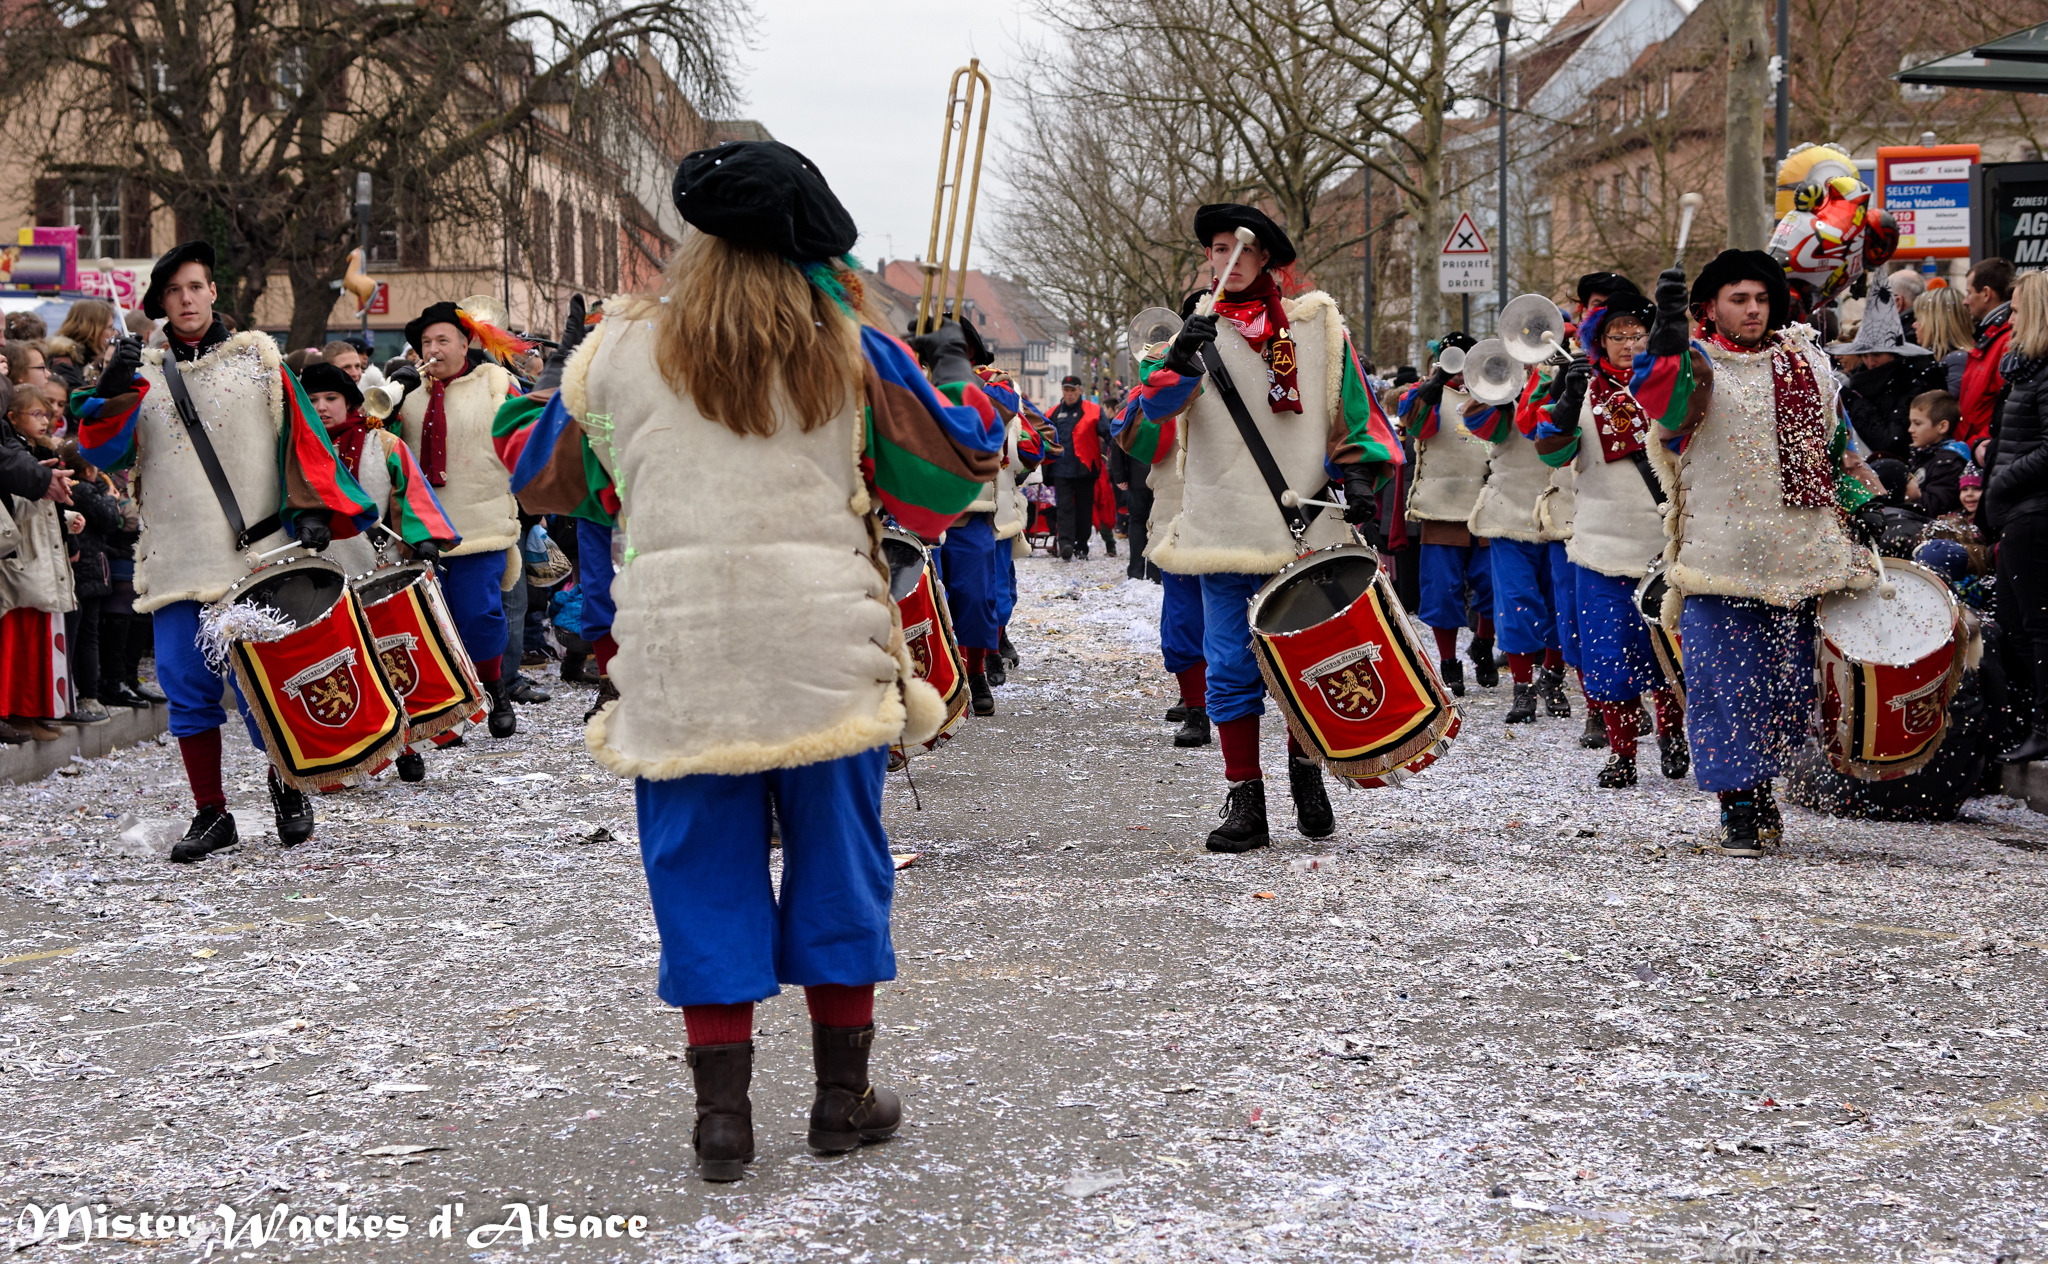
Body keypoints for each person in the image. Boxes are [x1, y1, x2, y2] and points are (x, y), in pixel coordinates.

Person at [516, 140, 1003, 1183]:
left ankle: (722, 1121)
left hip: (677, 651)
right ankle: (840, 1098)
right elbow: (945, 478)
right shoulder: (850, 345)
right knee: (838, 863)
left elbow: (547, 479)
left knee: (699, 870)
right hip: (822, 647)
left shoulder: (613, 351)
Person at [75, 240, 376, 862]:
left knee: (267, 687)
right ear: (161, 303)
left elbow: (306, 442)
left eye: (196, 287)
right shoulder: (143, 376)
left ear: (213, 292)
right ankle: (212, 813)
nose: (186, 299)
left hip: (256, 557)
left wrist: (313, 511)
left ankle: (287, 787)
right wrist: (110, 390)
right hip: (180, 559)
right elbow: (103, 453)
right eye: (174, 291)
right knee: (188, 691)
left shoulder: (261, 361)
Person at [1117, 203, 1401, 853]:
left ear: (1266, 260)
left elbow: (1353, 413)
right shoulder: (1188, 340)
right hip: (1221, 528)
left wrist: (1359, 478)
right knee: (1228, 669)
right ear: (1207, 260)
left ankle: (1307, 775)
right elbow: (1141, 435)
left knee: (1310, 663)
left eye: (1241, 251)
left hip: (1302, 529)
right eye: (1218, 250)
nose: (1229, 262)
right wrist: (1170, 374)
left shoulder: (1317, 327)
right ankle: (1246, 797)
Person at [1632, 249, 1879, 855]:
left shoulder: (1807, 362)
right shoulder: (1696, 363)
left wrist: (1866, 501)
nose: (1752, 309)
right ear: (1710, 307)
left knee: (1785, 690)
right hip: (1721, 561)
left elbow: (1834, 444)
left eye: (1761, 298)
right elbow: (1666, 409)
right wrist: (1664, 349)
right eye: (1738, 298)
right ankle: (1737, 804)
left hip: (1799, 557)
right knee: (1726, 687)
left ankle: (1761, 785)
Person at [1535, 288, 1690, 786]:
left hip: (1665, 549)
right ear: (1598, 340)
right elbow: (1554, 456)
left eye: (1638, 333)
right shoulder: (1582, 391)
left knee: (1669, 657)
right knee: (1609, 661)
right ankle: (1622, 753)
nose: (1627, 343)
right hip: (1601, 550)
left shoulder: (1674, 389)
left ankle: (1672, 736)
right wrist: (1563, 407)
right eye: (1616, 335)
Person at [393, 300, 525, 738]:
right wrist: (392, 400)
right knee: (430, 624)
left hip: (481, 524)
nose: (432, 349)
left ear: (465, 342)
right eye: (425, 342)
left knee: (478, 617)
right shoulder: (407, 393)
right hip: (420, 530)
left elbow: (522, 438)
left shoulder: (495, 383)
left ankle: (496, 687)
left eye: (442, 340)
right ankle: (445, 712)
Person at [1467, 342, 1572, 725]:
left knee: (1560, 605)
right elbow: (1482, 426)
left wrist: (1565, 379)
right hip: (1510, 514)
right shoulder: (1504, 385)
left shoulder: (1572, 373)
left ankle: (1554, 680)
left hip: (1563, 515)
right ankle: (1523, 689)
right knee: (1516, 604)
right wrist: (1506, 387)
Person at [1397, 334, 1496, 696]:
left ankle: (1483, 644)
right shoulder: (1428, 394)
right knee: (1443, 592)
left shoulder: (1494, 391)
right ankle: (1449, 661)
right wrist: (1434, 385)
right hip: (1441, 508)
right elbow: (1413, 422)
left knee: (1491, 588)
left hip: (1487, 506)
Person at [1983, 270, 2048, 763]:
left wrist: (2003, 482)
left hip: (2034, 511)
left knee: (2035, 624)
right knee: (2013, 622)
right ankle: (2030, 721)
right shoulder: (2025, 367)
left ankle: (2043, 725)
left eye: (2021, 309)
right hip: (2016, 511)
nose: (2013, 317)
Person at [1, 383, 79, 740]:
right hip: (24, 560)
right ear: (13, 417)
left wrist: (67, 521)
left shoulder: (35, 452)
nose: (46, 420)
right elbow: (15, 511)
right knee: (20, 642)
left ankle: (37, 710)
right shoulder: (18, 454)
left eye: (49, 413)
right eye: (38, 413)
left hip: (40, 559)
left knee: (39, 642)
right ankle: (18, 712)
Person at [1831, 284, 1945, 460]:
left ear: (1895, 354)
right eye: (1864, 355)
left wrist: (1852, 400)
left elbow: (1891, 441)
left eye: (1876, 354)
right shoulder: (1861, 380)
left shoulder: (1913, 381)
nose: (1870, 362)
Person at [1041, 376, 1101, 560]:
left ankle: (1081, 545)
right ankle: (1065, 543)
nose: (1069, 394)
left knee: (1084, 509)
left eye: (1073, 390)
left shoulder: (1094, 411)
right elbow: (1043, 440)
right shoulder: (1052, 413)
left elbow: (1108, 433)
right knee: (1064, 508)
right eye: (1066, 390)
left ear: (1080, 390)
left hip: (1085, 469)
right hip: (1061, 470)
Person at [1959, 257, 2016, 453]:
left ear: (1986, 294)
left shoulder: (2005, 339)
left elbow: (2007, 409)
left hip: (1983, 451)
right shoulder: (1990, 336)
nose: (1965, 302)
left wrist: (1975, 445)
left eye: (1968, 293)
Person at [1904, 390, 1968, 517]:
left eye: (1917, 423)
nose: (1910, 429)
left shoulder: (1949, 463)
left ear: (1942, 427)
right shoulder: (1923, 454)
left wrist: (1905, 495)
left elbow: (1937, 507)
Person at [1915, 285, 1974, 397]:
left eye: (1918, 319)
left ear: (1935, 322)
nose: (1914, 325)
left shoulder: (1957, 359)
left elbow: (1941, 408)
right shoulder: (1939, 357)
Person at [49, 300, 117, 394]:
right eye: (110, 327)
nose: (114, 333)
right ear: (92, 331)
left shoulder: (96, 360)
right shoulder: (63, 363)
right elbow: (81, 401)